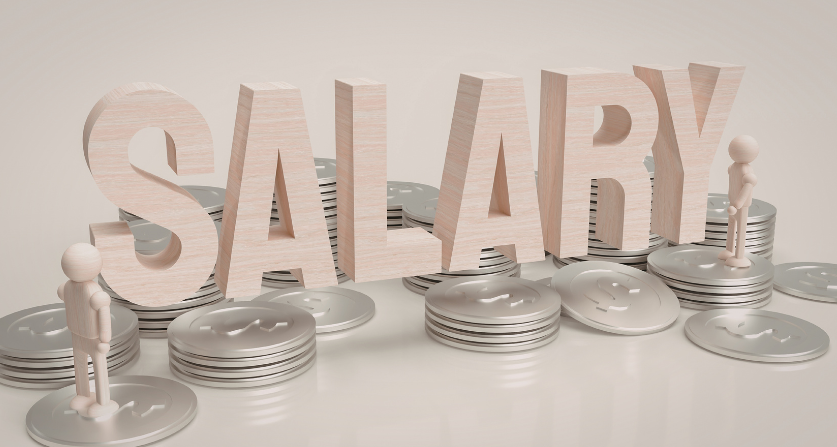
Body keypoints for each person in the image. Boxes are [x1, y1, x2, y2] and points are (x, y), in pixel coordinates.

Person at [57, 243, 119, 418]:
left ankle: (104, 402)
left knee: (99, 367)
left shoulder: (94, 292)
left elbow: (104, 312)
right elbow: (63, 295)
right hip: (77, 333)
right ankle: (83, 394)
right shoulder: (68, 287)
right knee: (80, 366)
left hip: (94, 338)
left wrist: (105, 340)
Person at [718, 135, 759, 268]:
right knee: (731, 226)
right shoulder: (734, 166)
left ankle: (739, 256)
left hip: (740, 205)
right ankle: (729, 250)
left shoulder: (746, 170)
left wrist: (738, 203)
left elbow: (748, 186)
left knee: (740, 228)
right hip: (733, 201)